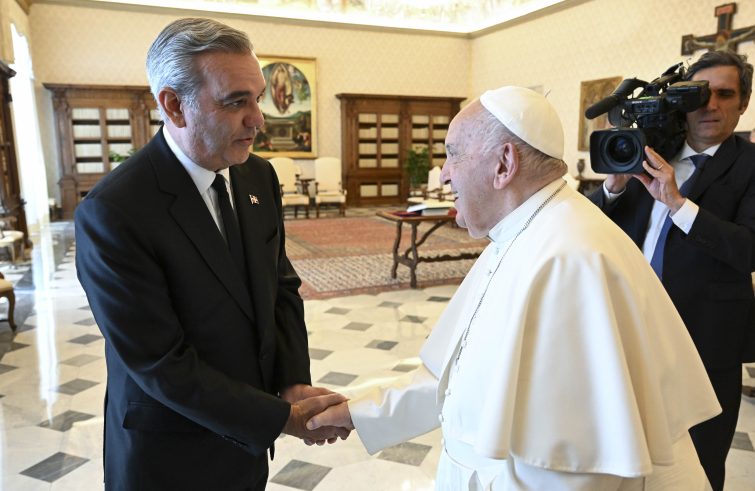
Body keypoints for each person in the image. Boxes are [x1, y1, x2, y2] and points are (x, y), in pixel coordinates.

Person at [307, 86, 721, 490]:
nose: (445, 173)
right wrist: (359, 412)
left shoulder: (569, 260)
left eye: (453, 154)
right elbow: (458, 376)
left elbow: (573, 466)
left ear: (504, 164)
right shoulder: (525, 230)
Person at [75, 18, 347, 490]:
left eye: (258, 98)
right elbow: (160, 362)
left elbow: (280, 289)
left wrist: (293, 381)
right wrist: (282, 418)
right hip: (168, 455)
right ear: (174, 106)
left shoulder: (258, 177)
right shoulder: (114, 211)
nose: (258, 119)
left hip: (246, 447)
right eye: (236, 101)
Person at [589, 50, 755, 491]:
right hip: (630, 323)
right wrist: (613, 187)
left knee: (700, 456)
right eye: (698, 94)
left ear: (743, 103)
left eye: (725, 94)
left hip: (708, 334)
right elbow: (592, 225)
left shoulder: (750, 165)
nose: (710, 105)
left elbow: (749, 250)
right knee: (627, 443)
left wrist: (679, 205)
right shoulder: (646, 152)